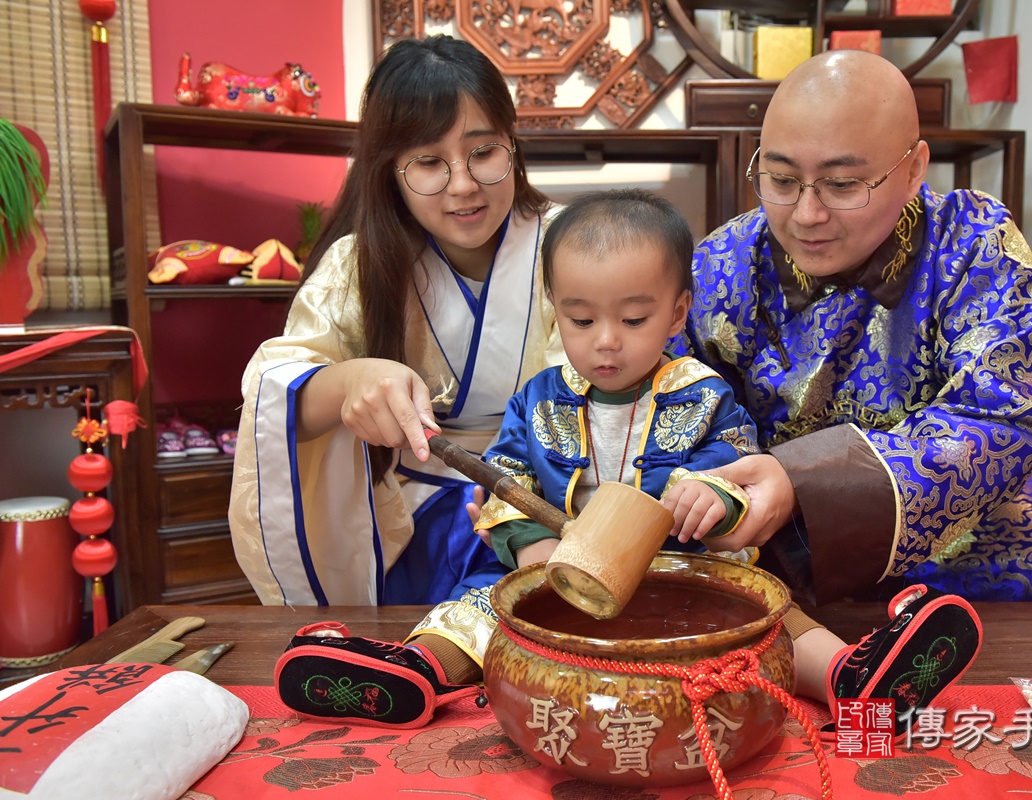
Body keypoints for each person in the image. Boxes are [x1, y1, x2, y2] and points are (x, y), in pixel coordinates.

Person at [272, 190, 984, 739]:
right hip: (553, 572)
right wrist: (534, 546)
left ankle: (851, 677)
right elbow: (502, 481)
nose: (605, 342)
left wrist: (716, 503)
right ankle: (414, 672)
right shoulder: (539, 399)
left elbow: (734, 471)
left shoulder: (703, 397)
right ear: (556, 312)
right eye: (581, 321)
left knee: (769, 617)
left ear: (677, 314)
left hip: (677, 569)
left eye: (633, 320)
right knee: (480, 607)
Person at [671, 49, 1032, 604]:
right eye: (782, 179)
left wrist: (804, 479)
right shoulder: (722, 264)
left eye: (841, 185)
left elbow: (1003, 415)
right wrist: (725, 484)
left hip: (957, 531)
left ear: (913, 170)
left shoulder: (973, 245)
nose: (807, 214)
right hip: (769, 537)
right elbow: (675, 403)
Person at [228, 35, 564, 607]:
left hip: (553, 507)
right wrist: (349, 384)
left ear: (513, 145)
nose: (462, 185)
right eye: (429, 162)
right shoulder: (360, 264)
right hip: (413, 524)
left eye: (483, 153)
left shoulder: (574, 245)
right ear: (390, 169)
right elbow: (276, 393)